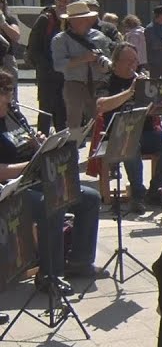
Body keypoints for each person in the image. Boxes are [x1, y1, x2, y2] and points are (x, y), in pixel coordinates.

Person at [0, 71, 104, 293]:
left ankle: (79, 262)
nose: (11, 98)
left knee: (90, 198)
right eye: (7, 92)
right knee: (52, 205)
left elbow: (29, 149)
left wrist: (41, 144)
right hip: (10, 188)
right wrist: (31, 165)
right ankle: (49, 275)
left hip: (33, 179)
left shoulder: (13, 115)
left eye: (10, 91)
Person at [94, 44, 162, 214]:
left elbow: (161, 105)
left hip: (147, 132)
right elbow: (101, 105)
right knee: (131, 144)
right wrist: (130, 91)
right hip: (118, 134)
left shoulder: (144, 81)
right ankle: (137, 195)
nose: (133, 65)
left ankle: (154, 190)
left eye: (135, 61)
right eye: (128, 61)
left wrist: (158, 106)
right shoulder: (107, 82)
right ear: (116, 62)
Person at [51, 0, 112, 131]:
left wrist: (104, 65)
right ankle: (73, 149)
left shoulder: (100, 37)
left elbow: (107, 60)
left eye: (86, 18)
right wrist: (83, 59)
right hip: (74, 84)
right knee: (74, 124)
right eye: (80, 19)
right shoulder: (60, 40)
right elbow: (58, 65)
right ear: (71, 21)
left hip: (97, 83)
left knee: (100, 122)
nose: (84, 22)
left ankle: (98, 149)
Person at [28, 0, 72, 132]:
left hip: (65, 75)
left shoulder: (71, 22)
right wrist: (47, 67)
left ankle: (60, 148)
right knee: (45, 111)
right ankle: (41, 144)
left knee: (62, 112)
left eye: (66, 1)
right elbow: (33, 49)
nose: (62, 4)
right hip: (47, 75)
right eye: (60, 0)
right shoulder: (45, 19)